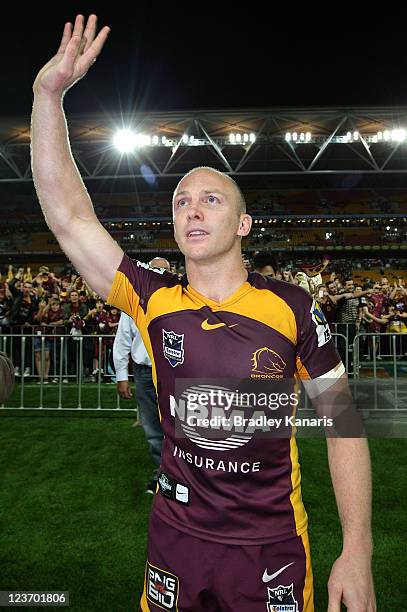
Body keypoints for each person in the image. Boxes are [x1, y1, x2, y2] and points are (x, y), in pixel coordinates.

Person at [31, 15, 375, 612]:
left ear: (242, 225)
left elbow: (341, 425)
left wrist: (358, 548)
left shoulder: (292, 305)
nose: (193, 210)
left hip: (271, 547)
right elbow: (69, 218)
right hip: (175, 540)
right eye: (181, 201)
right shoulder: (151, 296)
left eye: (211, 199)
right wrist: (47, 95)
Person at [113, 257, 170, 495]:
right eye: (154, 269)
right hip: (145, 372)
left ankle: (183, 474)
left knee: (179, 425)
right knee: (153, 427)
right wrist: (121, 375)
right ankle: (162, 475)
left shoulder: (179, 301)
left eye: (163, 270)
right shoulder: (134, 304)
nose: (158, 273)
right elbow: (122, 340)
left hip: (172, 372)